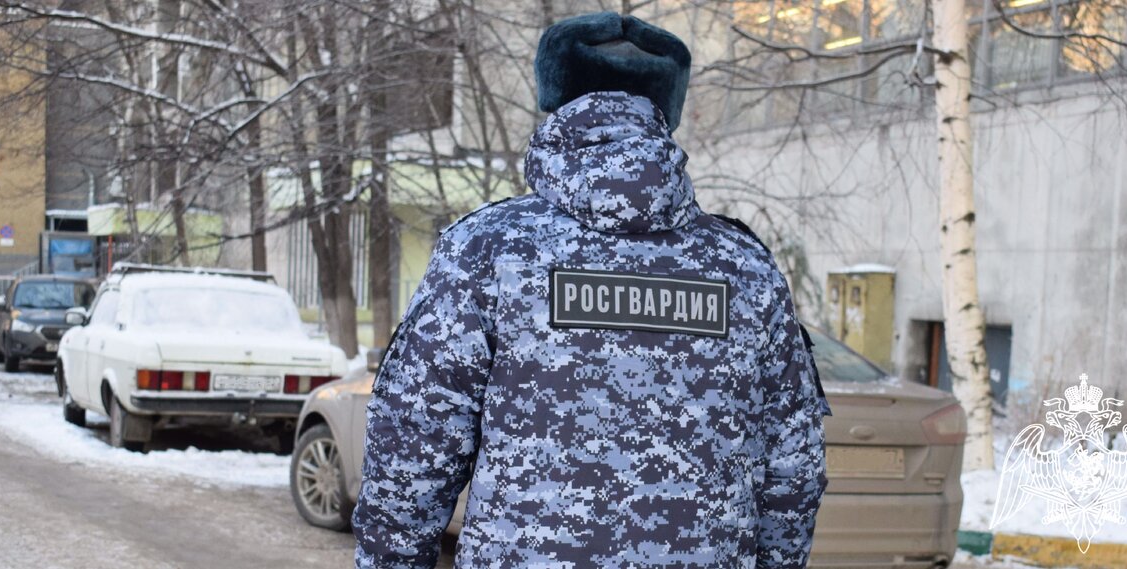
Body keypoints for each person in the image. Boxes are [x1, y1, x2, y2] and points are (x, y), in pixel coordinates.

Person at [353, 11, 831, 569]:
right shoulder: (744, 266)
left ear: (555, 96)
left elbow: (413, 445)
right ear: (667, 108)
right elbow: (794, 462)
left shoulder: (487, 248)